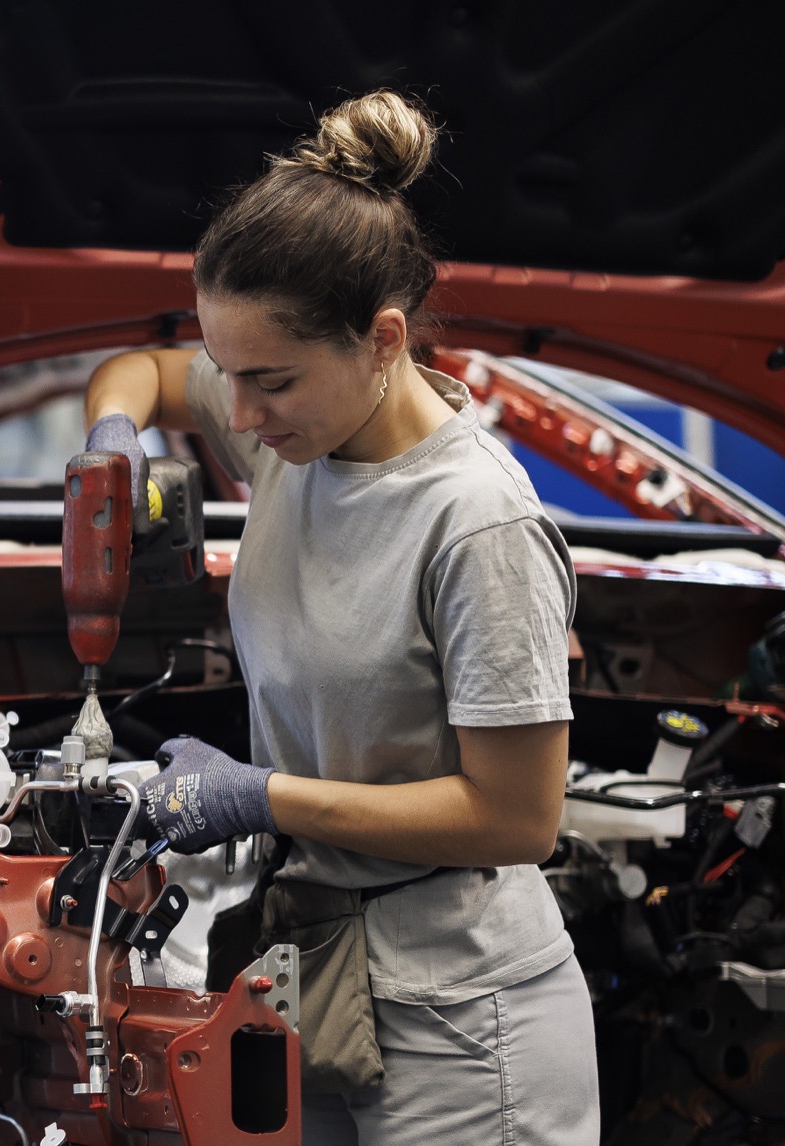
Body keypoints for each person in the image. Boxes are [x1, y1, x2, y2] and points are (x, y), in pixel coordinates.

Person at [83, 91, 600, 1144]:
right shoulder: (292, 438)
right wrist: (112, 437)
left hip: (464, 1025)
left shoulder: (475, 523)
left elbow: (517, 818)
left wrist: (261, 796)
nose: (239, 418)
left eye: (268, 381)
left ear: (383, 339)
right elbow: (138, 370)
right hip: (314, 979)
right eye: (227, 375)